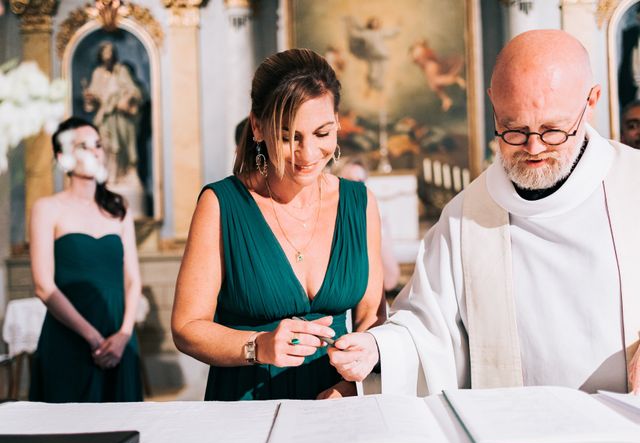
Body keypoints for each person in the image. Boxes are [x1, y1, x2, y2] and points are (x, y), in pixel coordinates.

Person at [328, 30, 640, 396]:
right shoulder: (467, 215)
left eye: (553, 130)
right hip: (512, 434)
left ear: (592, 101)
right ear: (493, 103)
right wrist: (379, 350)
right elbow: (427, 327)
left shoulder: (632, 185)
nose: (534, 147)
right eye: (514, 130)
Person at [171, 48, 384, 401]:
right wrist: (258, 345)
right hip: (246, 404)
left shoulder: (360, 203)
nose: (308, 154)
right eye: (288, 137)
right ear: (258, 127)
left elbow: (371, 320)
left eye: (322, 133)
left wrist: (350, 385)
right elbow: (186, 327)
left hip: (335, 404)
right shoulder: (221, 204)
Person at [29, 117, 143, 402]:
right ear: (63, 157)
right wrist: (92, 338)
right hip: (69, 337)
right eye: (83, 146)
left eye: (98, 145)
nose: (94, 151)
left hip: (119, 336)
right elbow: (43, 285)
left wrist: (124, 334)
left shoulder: (119, 209)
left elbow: (133, 280)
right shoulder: (47, 208)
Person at [83, 41, 142, 182]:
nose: (108, 55)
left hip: (121, 117)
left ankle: (123, 175)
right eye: (105, 52)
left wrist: (125, 99)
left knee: (122, 148)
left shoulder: (121, 71)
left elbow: (135, 91)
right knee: (106, 145)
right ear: (101, 55)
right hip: (105, 116)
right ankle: (109, 175)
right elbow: (93, 100)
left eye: (110, 52)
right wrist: (91, 98)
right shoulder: (97, 73)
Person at [338, 159, 400, 292]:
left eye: (360, 182)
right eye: (348, 181)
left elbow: (390, 279)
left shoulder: (373, 217)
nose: (355, 189)